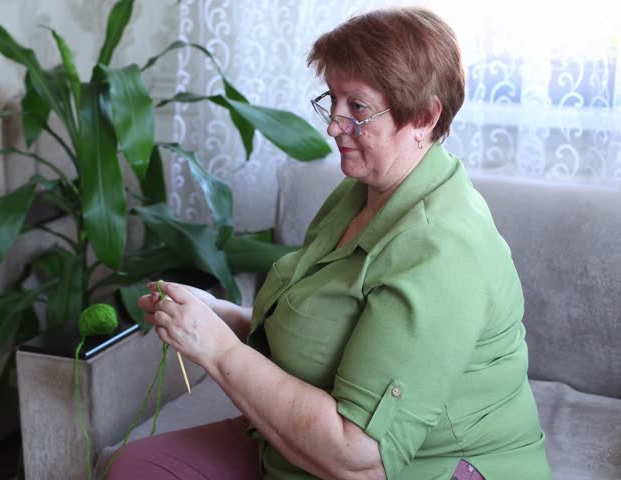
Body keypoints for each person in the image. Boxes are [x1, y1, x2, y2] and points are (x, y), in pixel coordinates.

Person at [106, 6, 552, 479]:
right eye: (333, 100)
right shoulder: (361, 191)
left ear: (424, 116)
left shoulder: (442, 250)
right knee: (134, 467)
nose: (333, 125)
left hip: (417, 468)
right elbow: (322, 333)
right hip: (304, 448)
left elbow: (359, 457)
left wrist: (218, 350)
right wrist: (221, 316)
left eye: (356, 108)